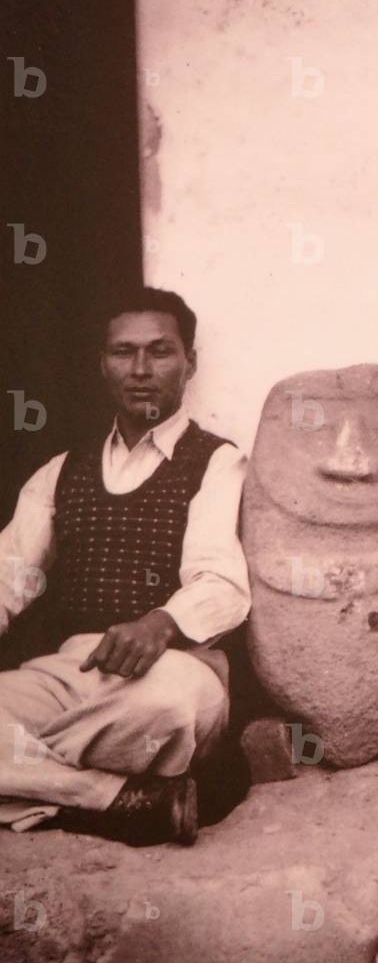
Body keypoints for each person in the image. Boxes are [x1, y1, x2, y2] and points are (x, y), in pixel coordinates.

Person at [0, 287, 250, 846]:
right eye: (123, 352)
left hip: (175, 668)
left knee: (165, 708)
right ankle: (117, 801)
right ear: (102, 364)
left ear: (190, 363)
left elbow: (222, 582)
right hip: (73, 671)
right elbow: (7, 575)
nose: (141, 369)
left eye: (160, 351)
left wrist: (158, 624)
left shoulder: (217, 460)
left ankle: (38, 785)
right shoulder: (61, 470)